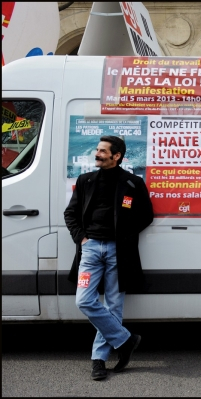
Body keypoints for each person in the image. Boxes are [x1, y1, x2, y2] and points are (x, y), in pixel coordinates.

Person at [64, 136, 154, 380]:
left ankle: (99, 360)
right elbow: (70, 213)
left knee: (114, 306)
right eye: (97, 150)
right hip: (90, 249)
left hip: (119, 251)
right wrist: (81, 238)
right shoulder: (85, 181)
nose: (97, 154)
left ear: (116, 156)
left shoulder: (133, 183)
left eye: (103, 151)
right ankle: (125, 340)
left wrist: (124, 237)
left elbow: (146, 216)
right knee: (83, 300)